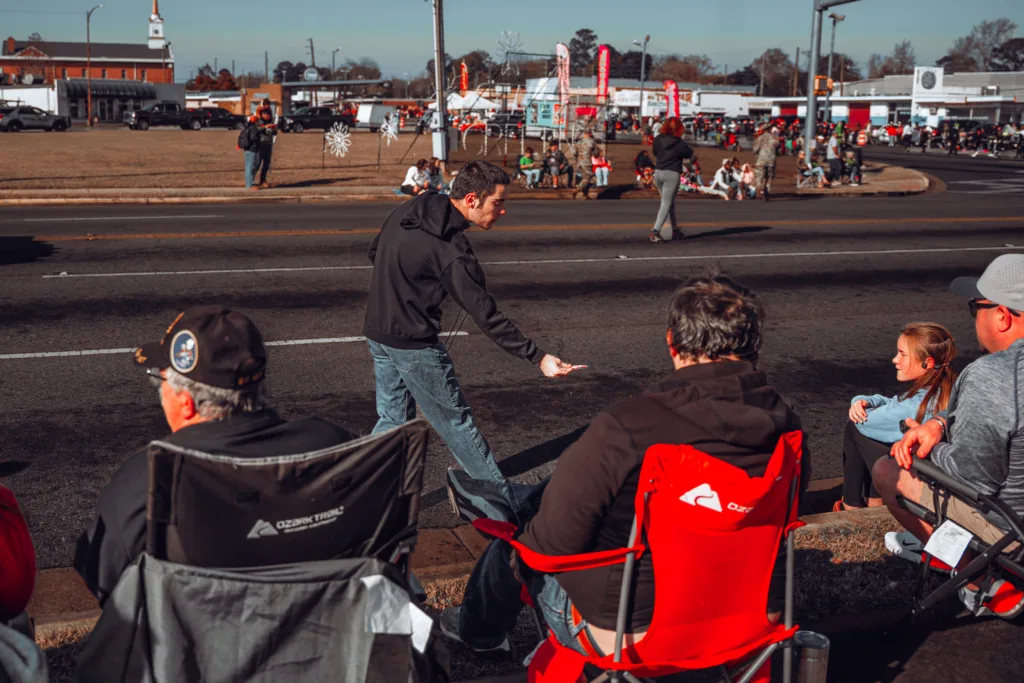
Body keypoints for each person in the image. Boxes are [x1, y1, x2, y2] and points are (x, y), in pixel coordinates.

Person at [439, 273, 810, 655]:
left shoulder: (630, 426)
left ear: (672, 343)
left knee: (515, 541)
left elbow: (550, 548)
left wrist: (525, 541)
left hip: (633, 633)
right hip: (749, 619)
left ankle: (478, 629)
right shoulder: (788, 432)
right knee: (569, 492)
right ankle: (523, 500)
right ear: (755, 347)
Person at [74, 307, 357, 606]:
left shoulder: (147, 479)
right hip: (333, 638)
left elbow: (104, 581)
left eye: (160, 382)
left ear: (186, 403)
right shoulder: (335, 447)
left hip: (203, 647)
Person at [363, 161, 584, 518]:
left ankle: (351, 481)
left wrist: (407, 289)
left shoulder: (410, 208)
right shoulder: (450, 252)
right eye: (498, 202)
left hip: (378, 330)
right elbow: (487, 315)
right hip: (414, 344)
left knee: (393, 419)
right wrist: (538, 357)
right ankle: (502, 503)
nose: (503, 209)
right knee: (455, 421)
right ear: (471, 199)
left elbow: (376, 252)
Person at [875, 254, 1024, 618]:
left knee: (887, 470)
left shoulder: (994, 375)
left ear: (1002, 316)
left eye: (977, 306)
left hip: (1014, 529)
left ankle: (981, 583)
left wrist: (930, 447)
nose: (975, 316)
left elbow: (975, 479)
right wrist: (940, 422)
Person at [838, 323, 957, 511]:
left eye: (903, 354)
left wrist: (859, 405)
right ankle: (868, 501)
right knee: (869, 432)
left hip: (920, 478)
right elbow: (895, 402)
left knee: (855, 428)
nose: (895, 360)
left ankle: (852, 504)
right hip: (933, 468)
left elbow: (867, 421)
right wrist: (865, 400)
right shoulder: (943, 388)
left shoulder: (916, 406)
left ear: (928, 362)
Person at [650, 117, 693, 243]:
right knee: (666, 203)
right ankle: (655, 231)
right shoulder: (679, 143)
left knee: (668, 202)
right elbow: (689, 153)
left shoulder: (657, 139)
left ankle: (674, 230)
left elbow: (655, 152)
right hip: (672, 174)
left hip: (658, 173)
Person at [253, 106, 277, 189]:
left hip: (268, 145)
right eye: (265, 114)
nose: (267, 116)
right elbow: (255, 130)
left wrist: (273, 129)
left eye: (268, 114)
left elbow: (274, 133)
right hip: (260, 145)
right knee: (257, 163)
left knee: (266, 164)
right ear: (262, 114)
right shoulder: (258, 121)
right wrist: (265, 127)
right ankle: (250, 181)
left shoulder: (270, 122)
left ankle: (263, 180)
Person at [573, 131, 597, 200]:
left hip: (579, 163)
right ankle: (577, 190)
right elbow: (596, 153)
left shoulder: (578, 142)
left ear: (584, 134)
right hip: (587, 163)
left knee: (585, 178)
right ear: (590, 134)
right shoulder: (592, 141)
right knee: (588, 177)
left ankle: (585, 195)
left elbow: (574, 153)